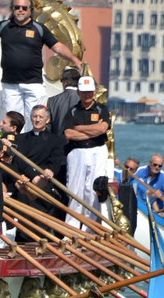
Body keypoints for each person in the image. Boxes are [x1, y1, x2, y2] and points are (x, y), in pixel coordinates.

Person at [0, 0, 83, 118]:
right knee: (12, 121)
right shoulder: (3, 26)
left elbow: (57, 47)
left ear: (30, 10)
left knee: (35, 119)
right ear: (12, 9)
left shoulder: (39, 29)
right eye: (17, 7)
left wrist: (74, 59)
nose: (20, 10)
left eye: (24, 8)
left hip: (33, 83)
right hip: (10, 84)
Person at [63, 75, 110, 229]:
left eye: (90, 92)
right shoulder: (73, 110)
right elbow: (68, 134)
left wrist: (80, 128)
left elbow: (103, 129)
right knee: (75, 189)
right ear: (78, 92)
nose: (87, 95)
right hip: (77, 151)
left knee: (93, 189)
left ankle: (92, 227)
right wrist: (93, 130)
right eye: (84, 92)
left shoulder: (102, 109)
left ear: (95, 92)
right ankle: (72, 227)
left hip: (97, 150)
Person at [46, 67, 82, 138]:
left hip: (58, 143)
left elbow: (48, 125)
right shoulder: (85, 99)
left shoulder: (52, 100)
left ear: (65, 82)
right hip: (79, 142)